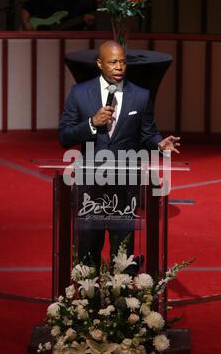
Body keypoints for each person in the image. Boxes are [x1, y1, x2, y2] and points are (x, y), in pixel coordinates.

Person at [59, 40, 180, 268]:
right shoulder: (80, 93)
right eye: (113, 62)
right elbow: (64, 137)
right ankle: (88, 302)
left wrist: (159, 144)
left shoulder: (141, 95)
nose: (119, 67)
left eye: (123, 62)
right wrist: (92, 123)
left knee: (122, 255)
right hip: (91, 185)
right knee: (87, 253)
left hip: (126, 187)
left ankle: (121, 299)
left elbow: (148, 135)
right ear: (99, 64)